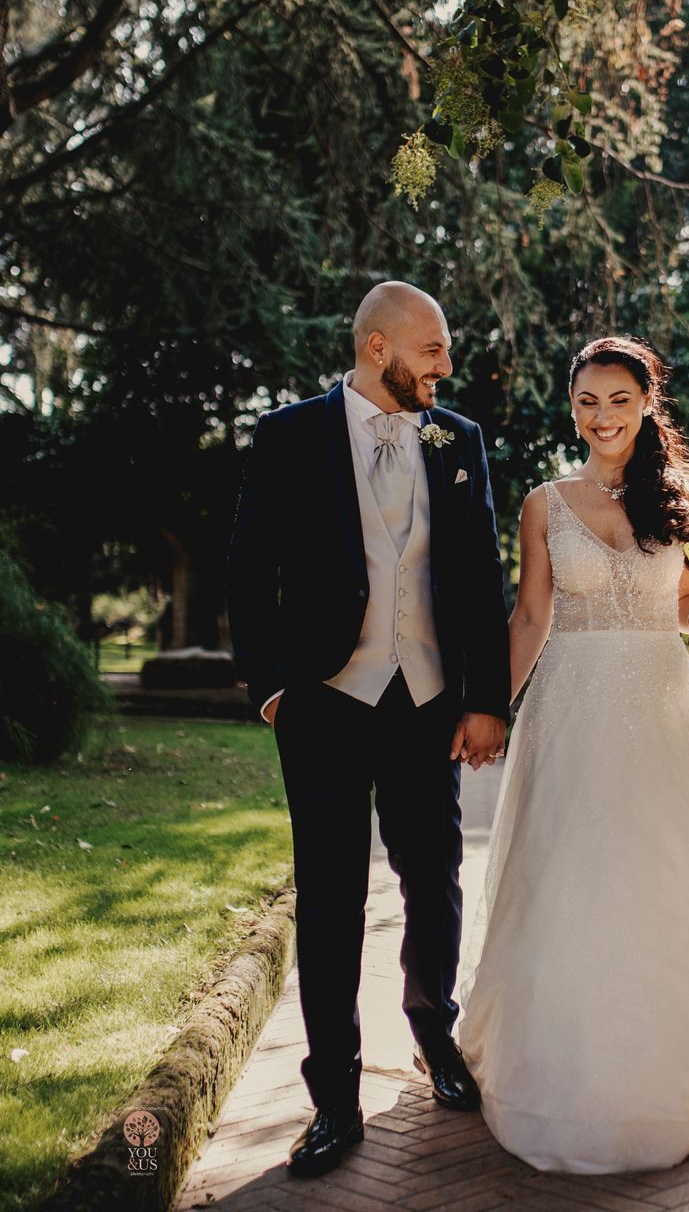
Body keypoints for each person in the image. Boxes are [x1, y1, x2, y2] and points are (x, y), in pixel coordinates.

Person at [455, 335, 689, 1173]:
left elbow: (675, 609)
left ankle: (664, 1072)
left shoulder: (681, 503)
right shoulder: (544, 504)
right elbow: (530, 618)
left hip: (661, 714)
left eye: (619, 401)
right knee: (566, 872)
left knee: (658, 875)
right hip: (568, 710)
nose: (603, 417)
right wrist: (486, 707)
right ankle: (552, 1062)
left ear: (647, 405)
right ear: (573, 409)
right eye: (588, 402)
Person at [227, 281, 511, 1178]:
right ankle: (334, 1096)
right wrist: (273, 688)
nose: (446, 366)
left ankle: (435, 1037)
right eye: (433, 349)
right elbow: (246, 567)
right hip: (324, 701)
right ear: (378, 346)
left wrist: (485, 699)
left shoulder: (456, 440)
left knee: (435, 881)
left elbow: (479, 577)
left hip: (427, 701)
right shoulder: (287, 434)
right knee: (331, 897)